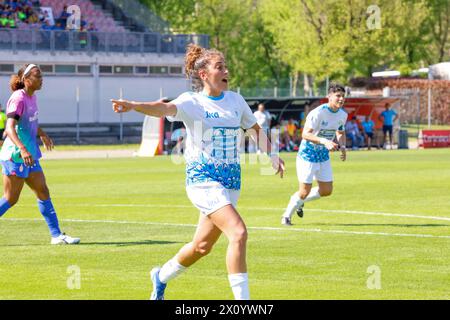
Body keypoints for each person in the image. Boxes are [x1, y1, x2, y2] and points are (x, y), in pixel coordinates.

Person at [111, 44, 285, 300]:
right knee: (238, 233)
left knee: (202, 247)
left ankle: (160, 277)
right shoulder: (191, 102)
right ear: (203, 74)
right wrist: (134, 105)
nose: (226, 71)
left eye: (226, 66)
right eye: (220, 67)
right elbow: (163, 109)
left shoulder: (236, 100)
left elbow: (254, 130)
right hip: (203, 180)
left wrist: (272, 154)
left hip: (231, 181)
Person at [0, 64, 80, 245]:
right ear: (27, 80)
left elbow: (30, 122)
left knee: (43, 191)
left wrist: (42, 133)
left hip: (30, 155)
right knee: (11, 199)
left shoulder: (32, 97)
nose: (41, 79)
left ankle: (57, 235)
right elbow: (9, 128)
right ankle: (56, 235)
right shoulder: (18, 99)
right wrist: (22, 148)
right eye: (38, 76)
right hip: (15, 156)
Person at [281, 83, 347, 226]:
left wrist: (342, 146)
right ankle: (286, 216)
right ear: (329, 97)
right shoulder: (318, 113)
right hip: (308, 155)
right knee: (304, 191)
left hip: (323, 156)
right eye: (338, 96)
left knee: (326, 191)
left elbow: (340, 132)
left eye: (343, 96)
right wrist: (324, 141)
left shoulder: (343, 115)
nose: (341, 99)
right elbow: (305, 134)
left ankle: (300, 201)